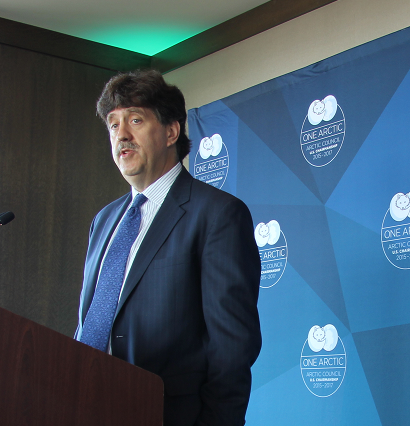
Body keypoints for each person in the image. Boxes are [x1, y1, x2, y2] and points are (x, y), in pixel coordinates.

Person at [74, 70, 262, 426]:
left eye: (135, 120)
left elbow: (232, 349)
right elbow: (89, 324)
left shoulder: (217, 214)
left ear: (171, 131)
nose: (122, 135)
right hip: (85, 406)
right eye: (113, 125)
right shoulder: (104, 220)